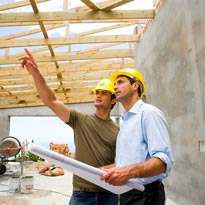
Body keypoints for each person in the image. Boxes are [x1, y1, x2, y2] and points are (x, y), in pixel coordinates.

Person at [19, 48, 119, 205]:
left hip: (109, 194)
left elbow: (125, 161)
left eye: (104, 93)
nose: (98, 95)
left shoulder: (119, 131)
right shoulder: (80, 120)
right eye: (97, 92)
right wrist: (36, 74)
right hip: (82, 194)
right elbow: (51, 101)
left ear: (113, 100)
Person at [100, 68, 174, 205]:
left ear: (135, 86)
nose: (115, 86)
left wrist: (127, 172)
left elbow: (162, 161)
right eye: (114, 84)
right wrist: (111, 170)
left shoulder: (149, 114)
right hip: (128, 194)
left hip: (145, 195)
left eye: (120, 82)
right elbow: (133, 160)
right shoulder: (127, 120)